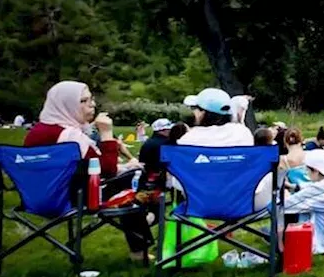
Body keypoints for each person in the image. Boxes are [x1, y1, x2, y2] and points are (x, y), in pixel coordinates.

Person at [24, 81, 152, 262]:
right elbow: (107, 170)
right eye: (83, 101)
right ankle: (141, 244)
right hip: (73, 198)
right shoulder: (70, 136)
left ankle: (143, 218)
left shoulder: (35, 132)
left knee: (128, 173)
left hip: (35, 197)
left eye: (91, 99)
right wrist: (107, 133)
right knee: (132, 179)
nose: (92, 104)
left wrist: (123, 166)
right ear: (66, 104)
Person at [178, 88, 268, 209]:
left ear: (204, 112)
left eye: (196, 109)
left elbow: (178, 178)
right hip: (243, 202)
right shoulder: (242, 132)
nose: (194, 112)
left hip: (199, 203)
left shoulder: (188, 138)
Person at [138, 118, 175, 183]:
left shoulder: (148, 142)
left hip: (147, 175)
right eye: (169, 129)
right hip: (162, 177)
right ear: (162, 130)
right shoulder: (167, 143)